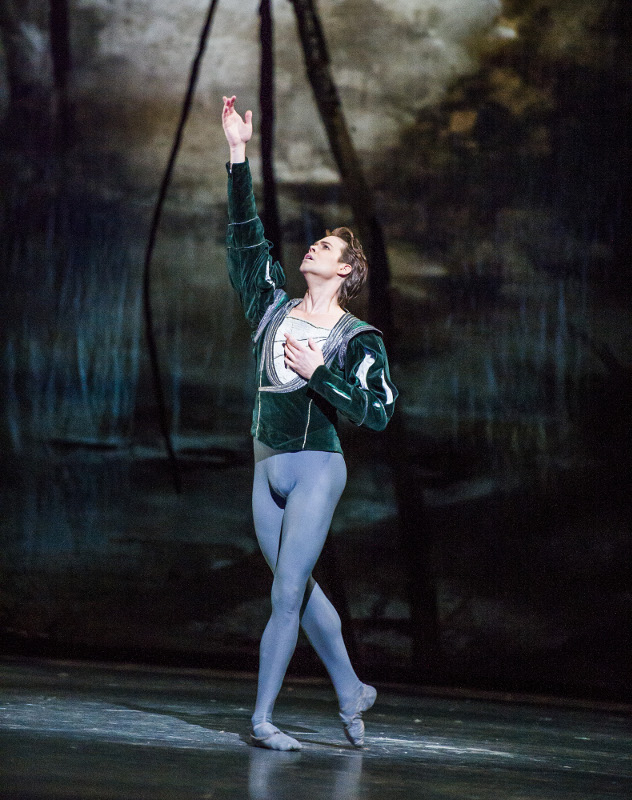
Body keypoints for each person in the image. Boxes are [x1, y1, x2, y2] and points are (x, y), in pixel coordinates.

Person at [221, 95, 397, 751]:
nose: (314, 247)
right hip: (267, 467)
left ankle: (262, 719)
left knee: (287, 595)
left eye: (327, 246)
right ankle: (352, 690)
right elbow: (247, 239)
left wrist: (320, 371)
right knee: (296, 587)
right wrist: (238, 153)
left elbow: (376, 412)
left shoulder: (357, 337)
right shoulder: (272, 306)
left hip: (317, 468)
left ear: (346, 271)